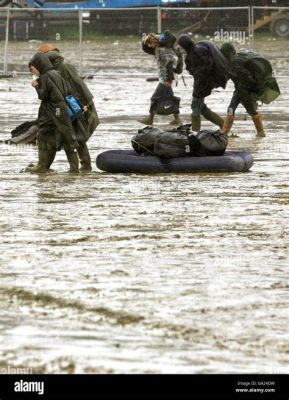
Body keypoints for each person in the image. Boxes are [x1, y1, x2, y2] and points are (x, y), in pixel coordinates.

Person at [38, 43, 99, 171]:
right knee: (75, 136)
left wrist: (83, 105)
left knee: (75, 136)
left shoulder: (62, 67)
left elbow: (78, 86)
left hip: (76, 107)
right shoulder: (56, 68)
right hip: (71, 106)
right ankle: (83, 166)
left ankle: (82, 166)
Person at [25, 52, 79, 173]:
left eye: (32, 69)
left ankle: (42, 166)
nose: (32, 72)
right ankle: (74, 169)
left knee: (43, 136)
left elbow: (42, 95)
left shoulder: (45, 77)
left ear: (39, 65)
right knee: (67, 138)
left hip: (53, 112)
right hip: (62, 111)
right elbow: (67, 89)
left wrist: (35, 85)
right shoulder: (56, 73)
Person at [220, 43, 281, 137]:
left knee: (233, 109)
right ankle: (260, 132)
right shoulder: (237, 59)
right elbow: (236, 77)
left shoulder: (234, 63)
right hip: (242, 90)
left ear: (226, 53)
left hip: (243, 91)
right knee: (246, 110)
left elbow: (244, 78)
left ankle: (224, 132)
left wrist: (243, 93)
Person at [176, 34, 229, 131]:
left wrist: (200, 76)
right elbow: (191, 70)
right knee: (202, 108)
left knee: (195, 108)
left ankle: (195, 132)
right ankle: (224, 126)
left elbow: (207, 66)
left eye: (179, 45)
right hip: (199, 84)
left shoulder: (199, 51)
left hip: (204, 84)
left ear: (184, 44)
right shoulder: (189, 55)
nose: (178, 47)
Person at [138, 31, 183, 126]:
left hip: (166, 79)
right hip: (168, 78)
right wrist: (144, 42)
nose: (151, 45)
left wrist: (168, 80)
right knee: (171, 98)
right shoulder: (161, 50)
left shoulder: (163, 51)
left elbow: (169, 65)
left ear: (158, 42)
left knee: (155, 98)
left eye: (153, 43)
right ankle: (177, 119)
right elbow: (146, 49)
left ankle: (150, 119)